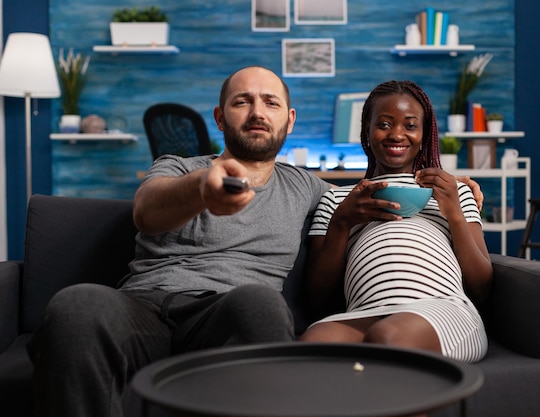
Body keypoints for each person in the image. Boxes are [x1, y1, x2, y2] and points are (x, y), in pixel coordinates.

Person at [26, 66, 331, 417]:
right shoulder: (179, 168)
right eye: (242, 101)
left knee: (260, 303)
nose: (257, 113)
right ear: (219, 117)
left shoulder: (305, 186)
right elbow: (146, 210)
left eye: (270, 103)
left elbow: (359, 200)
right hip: (143, 308)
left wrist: (408, 179)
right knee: (76, 304)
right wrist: (202, 187)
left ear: (289, 120)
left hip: (224, 316)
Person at [299, 80, 493, 363]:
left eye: (410, 125)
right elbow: (316, 301)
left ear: (425, 134)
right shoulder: (337, 200)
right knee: (313, 345)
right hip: (364, 312)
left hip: (443, 310)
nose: (397, 135)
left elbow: (482, 288)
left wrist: (454, 212)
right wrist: (342, 223)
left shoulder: (454, 191)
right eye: (385, 124)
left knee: (389, 337)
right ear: (367, 130)